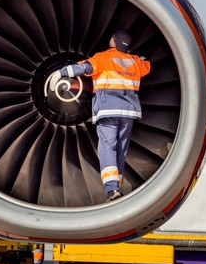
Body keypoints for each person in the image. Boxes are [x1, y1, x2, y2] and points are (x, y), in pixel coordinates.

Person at [48, 29, 150, 202]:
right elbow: (147, 65)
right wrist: (140, 58)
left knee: (107, 148)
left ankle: (112, 190)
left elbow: (84, 68)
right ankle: (116, 184)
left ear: (113, 42)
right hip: (129, 113)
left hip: (108, 111)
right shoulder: (135, 62)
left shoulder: (103, 58)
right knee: (120, 150)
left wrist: (61, 72)